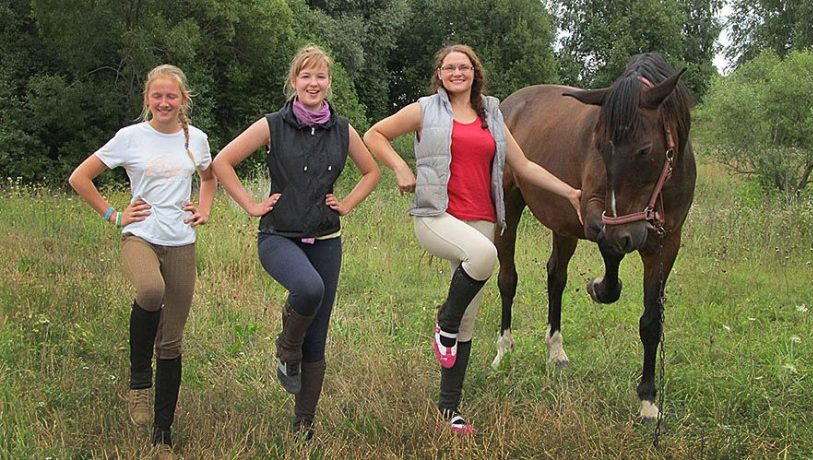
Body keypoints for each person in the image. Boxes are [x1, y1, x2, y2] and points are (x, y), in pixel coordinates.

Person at [363, 44, 581, 436]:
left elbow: (525, 165)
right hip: (436, 216)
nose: (457, 72)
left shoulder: (492, 114)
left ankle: (450, 411)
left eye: (463, 67)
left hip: (482, 217)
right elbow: (374, 134)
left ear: (475, 72)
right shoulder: (425, 109)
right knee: (484, 259)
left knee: (468, 323)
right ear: (440, 73)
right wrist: (398, 167)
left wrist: (570, 193)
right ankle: (443, 320)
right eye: (449, 67)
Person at [212, 44, 380, 440]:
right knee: (308, 288)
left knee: (318, 337)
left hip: (326, 238)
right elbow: (222, 162)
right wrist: (252, 206)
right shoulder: (272, 124)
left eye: (320, 76)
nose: (313, 83)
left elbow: (371, 171)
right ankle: (287, 346)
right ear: (294, 82)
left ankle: (304, 425)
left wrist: (348, 203)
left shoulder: (343, 128)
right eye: (306, 75)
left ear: (329, 83)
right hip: (278, 236)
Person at [68, 64, 216, 458]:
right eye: (157, 96)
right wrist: (114, 215)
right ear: (147, 99)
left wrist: (203, 209)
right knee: (151, 290)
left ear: (183, 99)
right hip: (141, 236)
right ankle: (138, 383)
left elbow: (210, 177)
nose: (164, 102)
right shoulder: (131, 137)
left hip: (182, 241)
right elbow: (80, 177)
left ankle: (162, 435)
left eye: (171, 96)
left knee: (171, 341)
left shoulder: (195, 139)